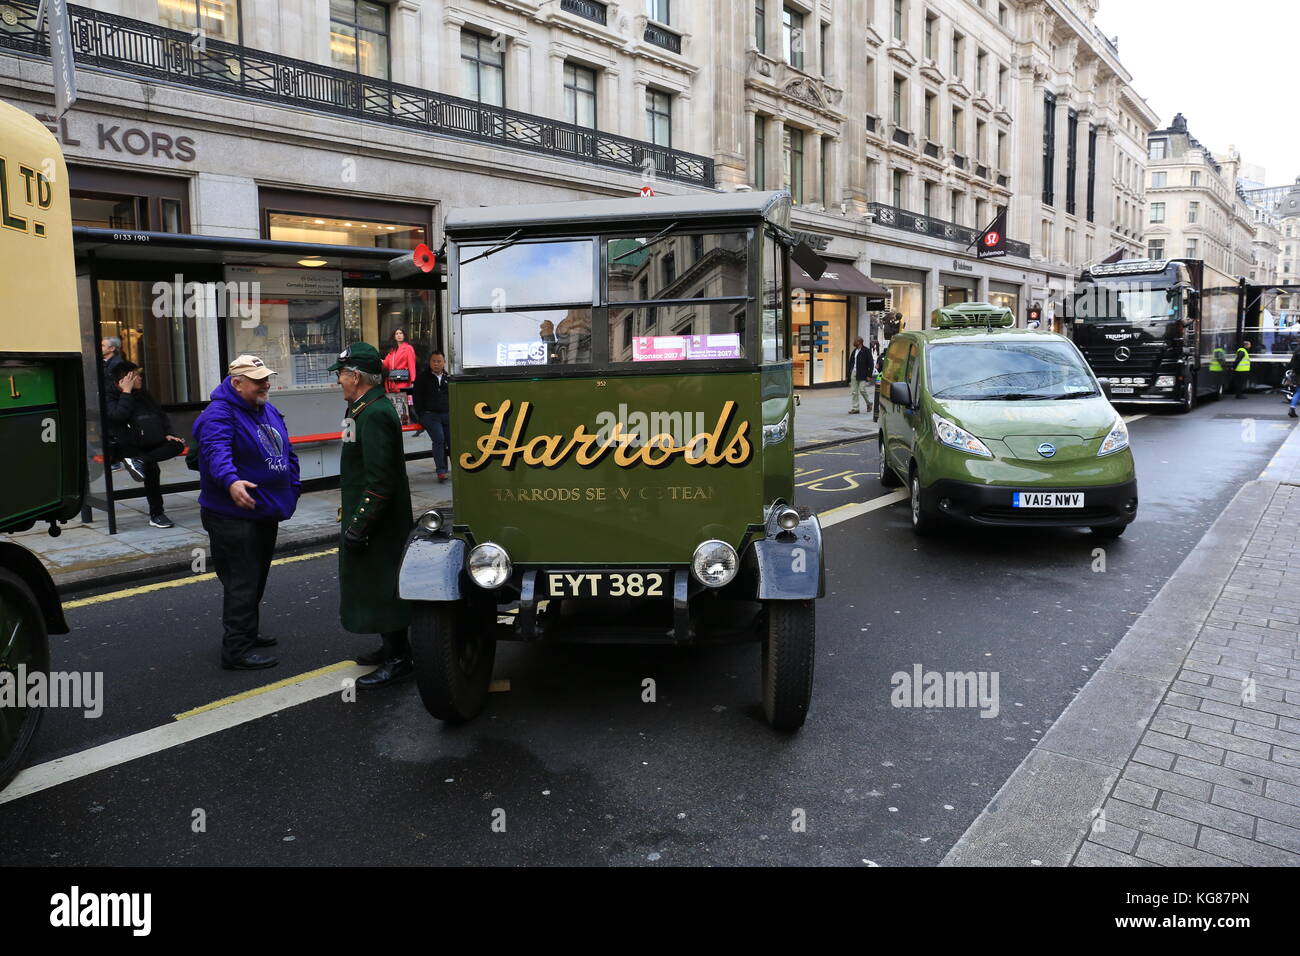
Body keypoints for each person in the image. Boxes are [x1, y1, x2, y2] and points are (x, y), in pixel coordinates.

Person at [192, 355, 301, 671]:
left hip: (263, 511)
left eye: (266, 378)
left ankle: (247, 632)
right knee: (242, 580)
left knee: (256, 578)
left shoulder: (264, 407)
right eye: (258, 380)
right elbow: (216, 453)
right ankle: (236, 650)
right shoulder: (219, 414)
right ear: (237, 383)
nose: (266, 384)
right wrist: (231, 482)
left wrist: (292, 486)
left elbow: (286, 450)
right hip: (231, 514)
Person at [328, 343, 415, 688]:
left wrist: (361, 523)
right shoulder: (361, 408)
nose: (338, 380)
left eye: (341, 374)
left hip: (380, 521)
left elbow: (381, 480)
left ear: (356, 376)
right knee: (372, 583)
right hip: (372, 517)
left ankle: (399, 659)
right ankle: (390, 646)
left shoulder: (375, 413)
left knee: (382, 584)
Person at [104, 362, 185, 529]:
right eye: (137, 375)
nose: (141, 378)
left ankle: (140, 461)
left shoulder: (143, 393)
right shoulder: (110, 395)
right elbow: (118, 416)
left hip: (150, 443)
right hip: (127, 445)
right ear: (127, 379)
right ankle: (157, 514)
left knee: (176, 445)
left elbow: (160, 414)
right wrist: (126, 392)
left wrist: (168, 433)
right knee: (152, 470)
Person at [412, 351, 451, 481]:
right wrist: (421, 414)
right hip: (430, 415)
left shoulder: (448, 377)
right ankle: (441, 470)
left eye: (439, 361)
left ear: (444, 362)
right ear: (430, 362)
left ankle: (457, 469)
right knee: (439, 438)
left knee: (452, 440)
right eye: (433, 361)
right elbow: (417, 398)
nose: (436, 364)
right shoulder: (422, 378)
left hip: (447, 414)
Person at [382, 328, 417, 423]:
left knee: (408, 403)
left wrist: (413, 380)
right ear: (394, 336)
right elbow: (386, 363)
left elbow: (411, 364)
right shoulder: (393, 350)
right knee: (397, 403)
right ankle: (401, 421)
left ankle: (415, 421)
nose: (399, 335)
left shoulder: (408, 348)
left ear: (404, 335)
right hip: (393, 382)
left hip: (405, 382)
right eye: (396, 333)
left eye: (401, 333)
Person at [848, 337, 874, 414]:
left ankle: (869, 403)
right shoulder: (854, 351)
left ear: (859, 342)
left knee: (862, 389)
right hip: (854, 373)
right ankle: (855, 408)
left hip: (863, 374)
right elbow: (851, 362)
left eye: (855, 341)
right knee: (854, 391)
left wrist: (869, 375)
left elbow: (871, 363)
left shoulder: (866, 351)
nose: (853, 343)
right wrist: (849, 372)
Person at [1287, 346, 1300, 418]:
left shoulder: (1297, 349)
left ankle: (1292, 409)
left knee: (1298, 391)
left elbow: (1292, 362)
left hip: (1296, 373)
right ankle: (1292, 409)